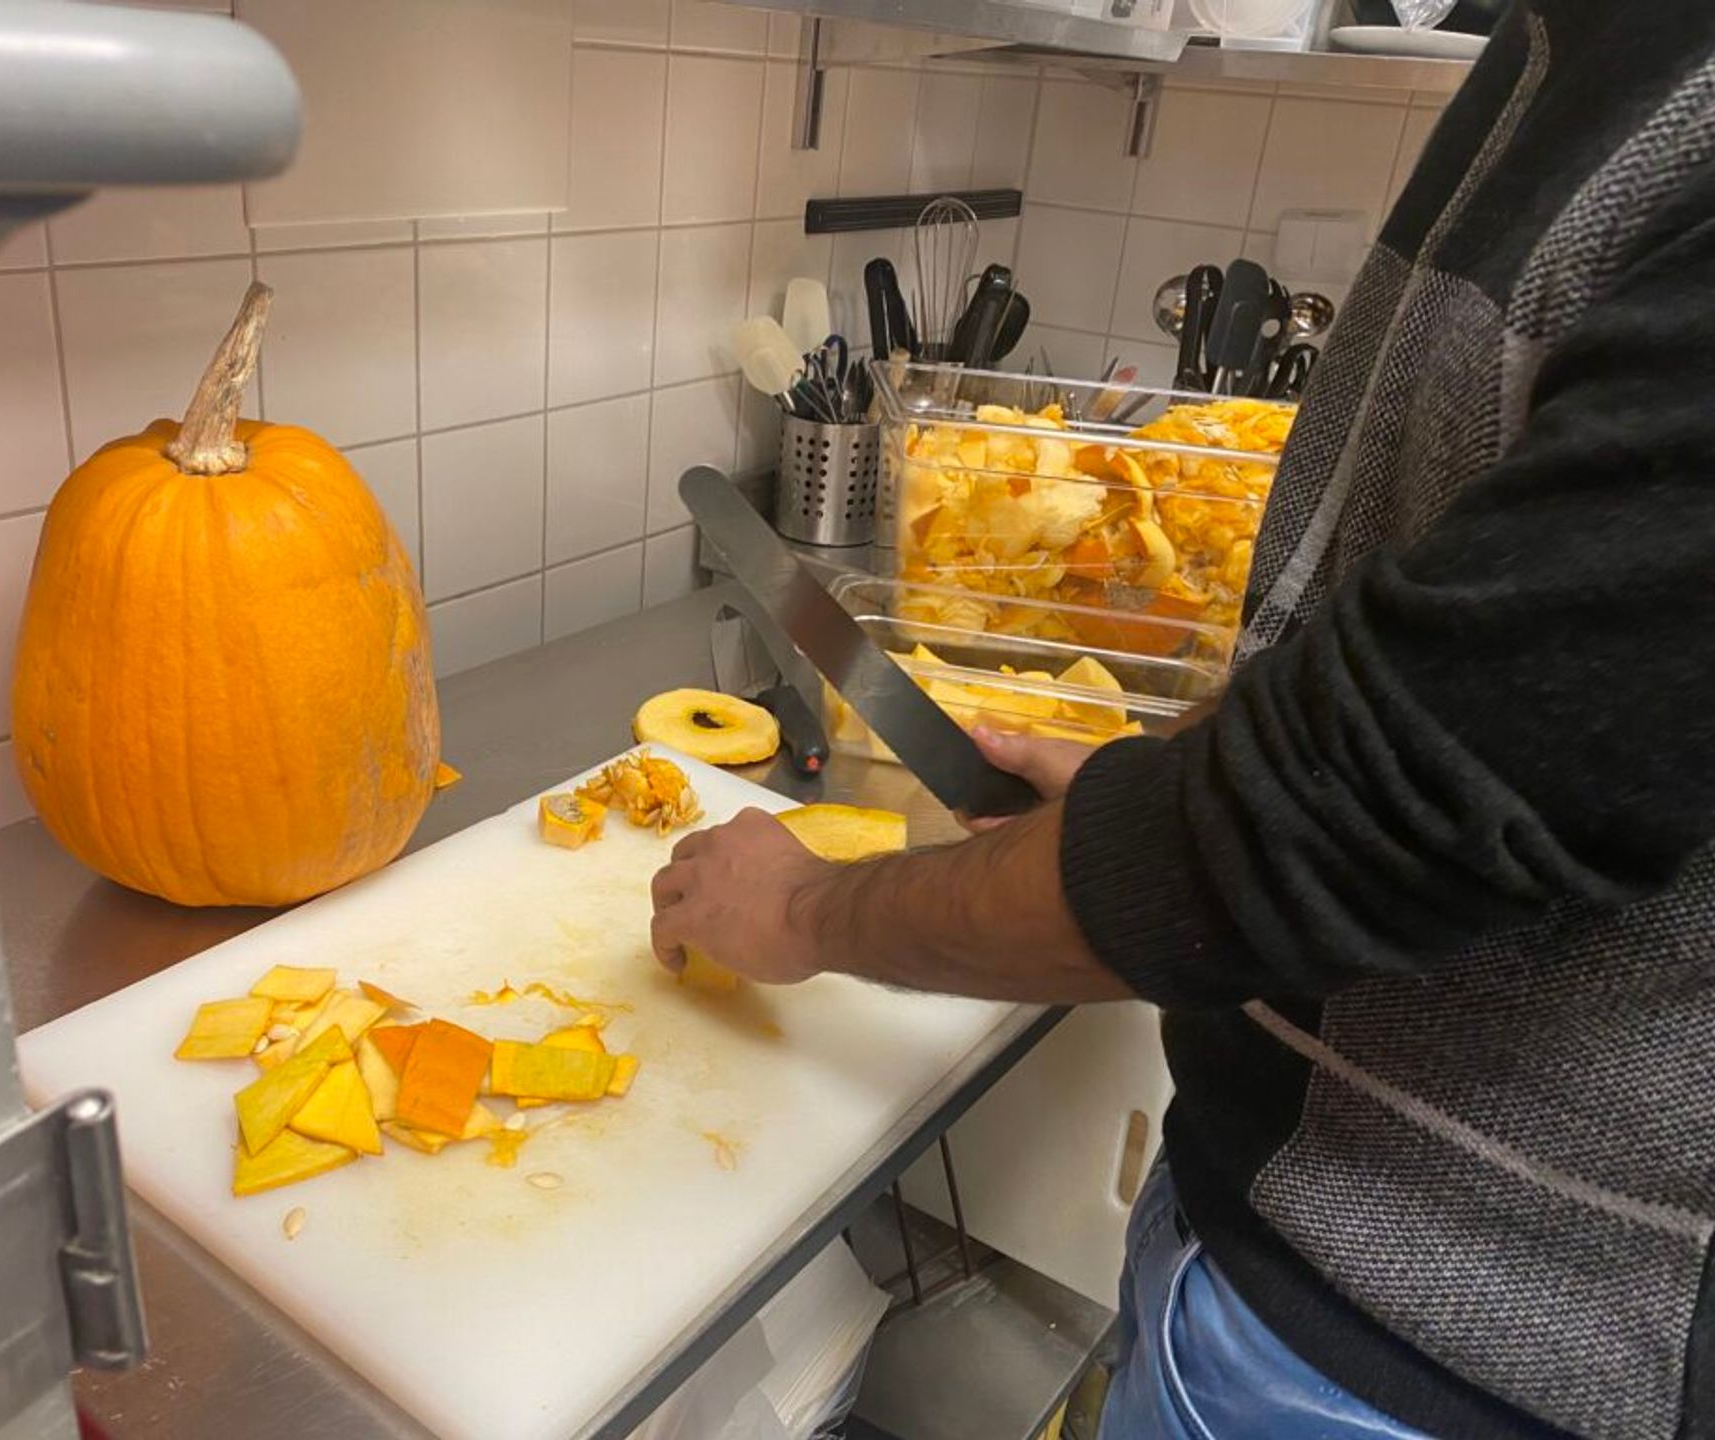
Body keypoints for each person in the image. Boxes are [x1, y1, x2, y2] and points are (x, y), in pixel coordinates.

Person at [648, 4, 1715, 1436]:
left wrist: (803, 916)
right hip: (1273, 1229)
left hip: (1444, 1361)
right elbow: (1460, 670)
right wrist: (1166, 777)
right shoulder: (1566, 44)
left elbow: (1353, 817)